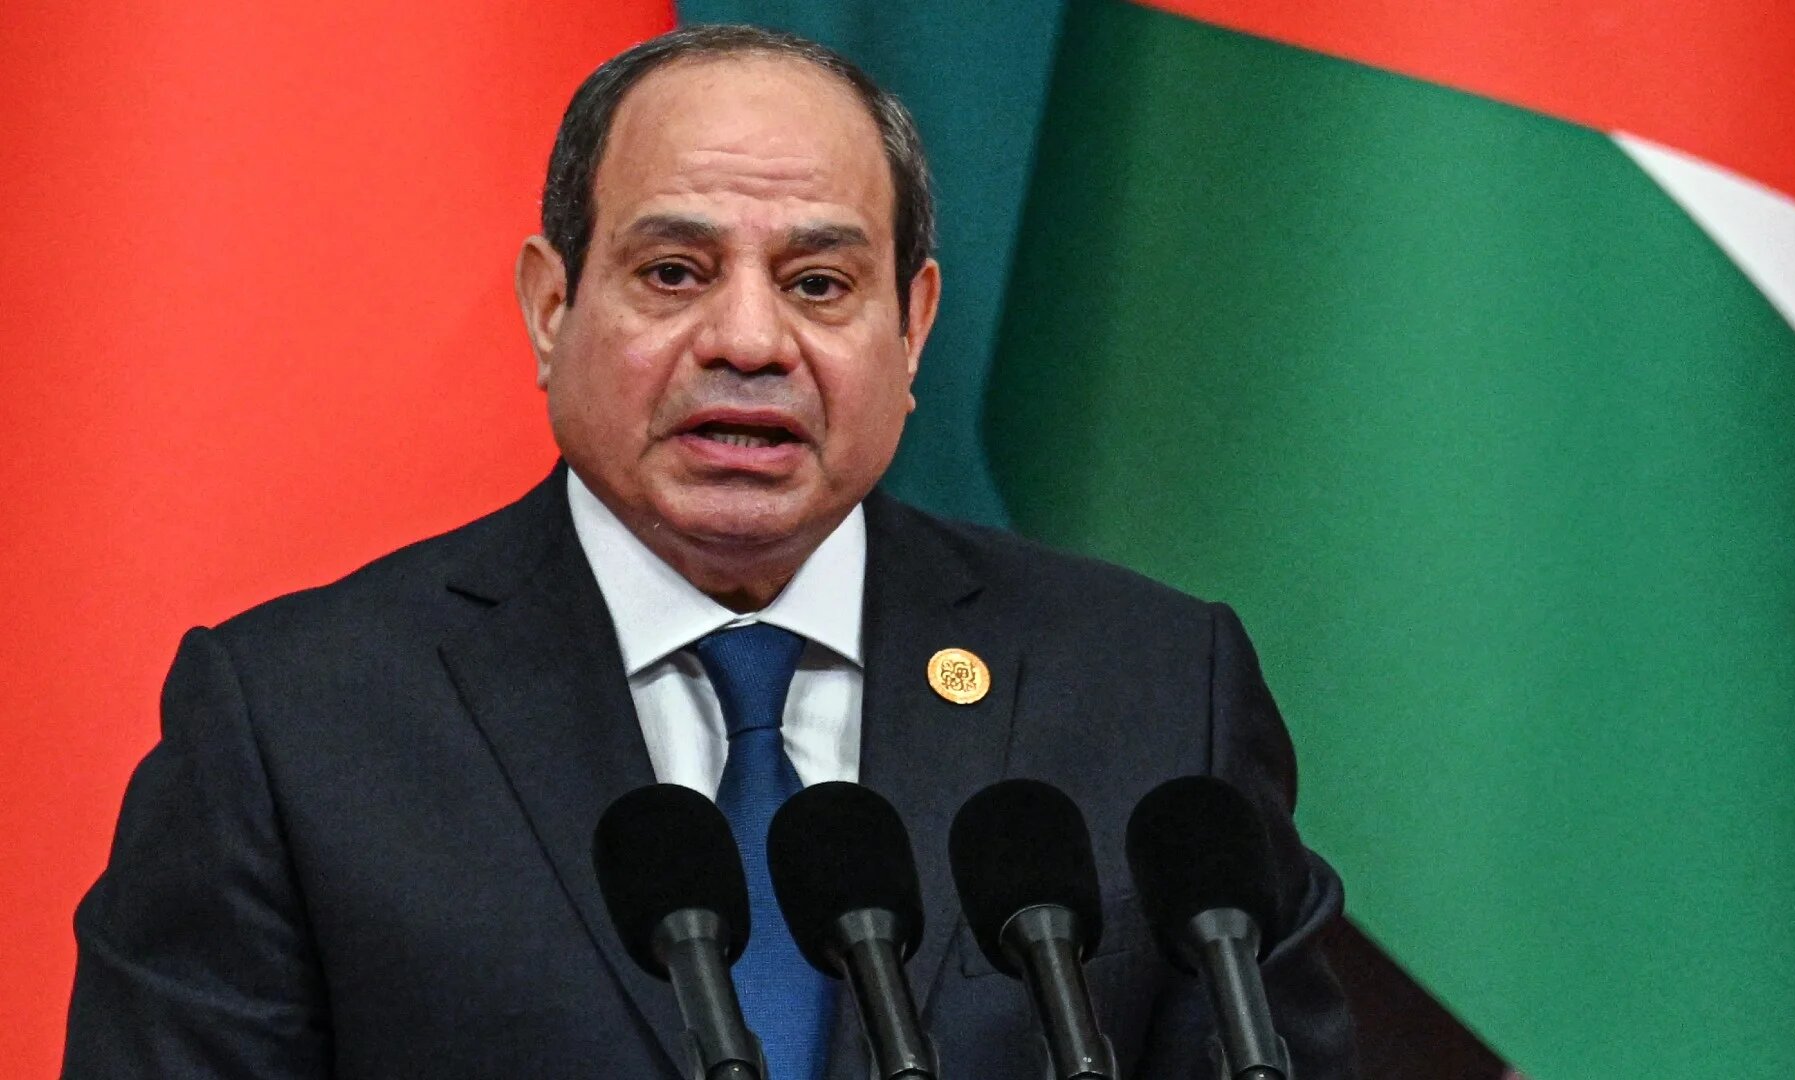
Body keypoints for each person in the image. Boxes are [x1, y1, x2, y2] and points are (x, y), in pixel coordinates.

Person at [64, 25, 1357, 1079]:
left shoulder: (1150, 689)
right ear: (552, 306)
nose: (748, 340)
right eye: (675, 272)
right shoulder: (298, 723)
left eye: (818, 284)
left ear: (913, 327)